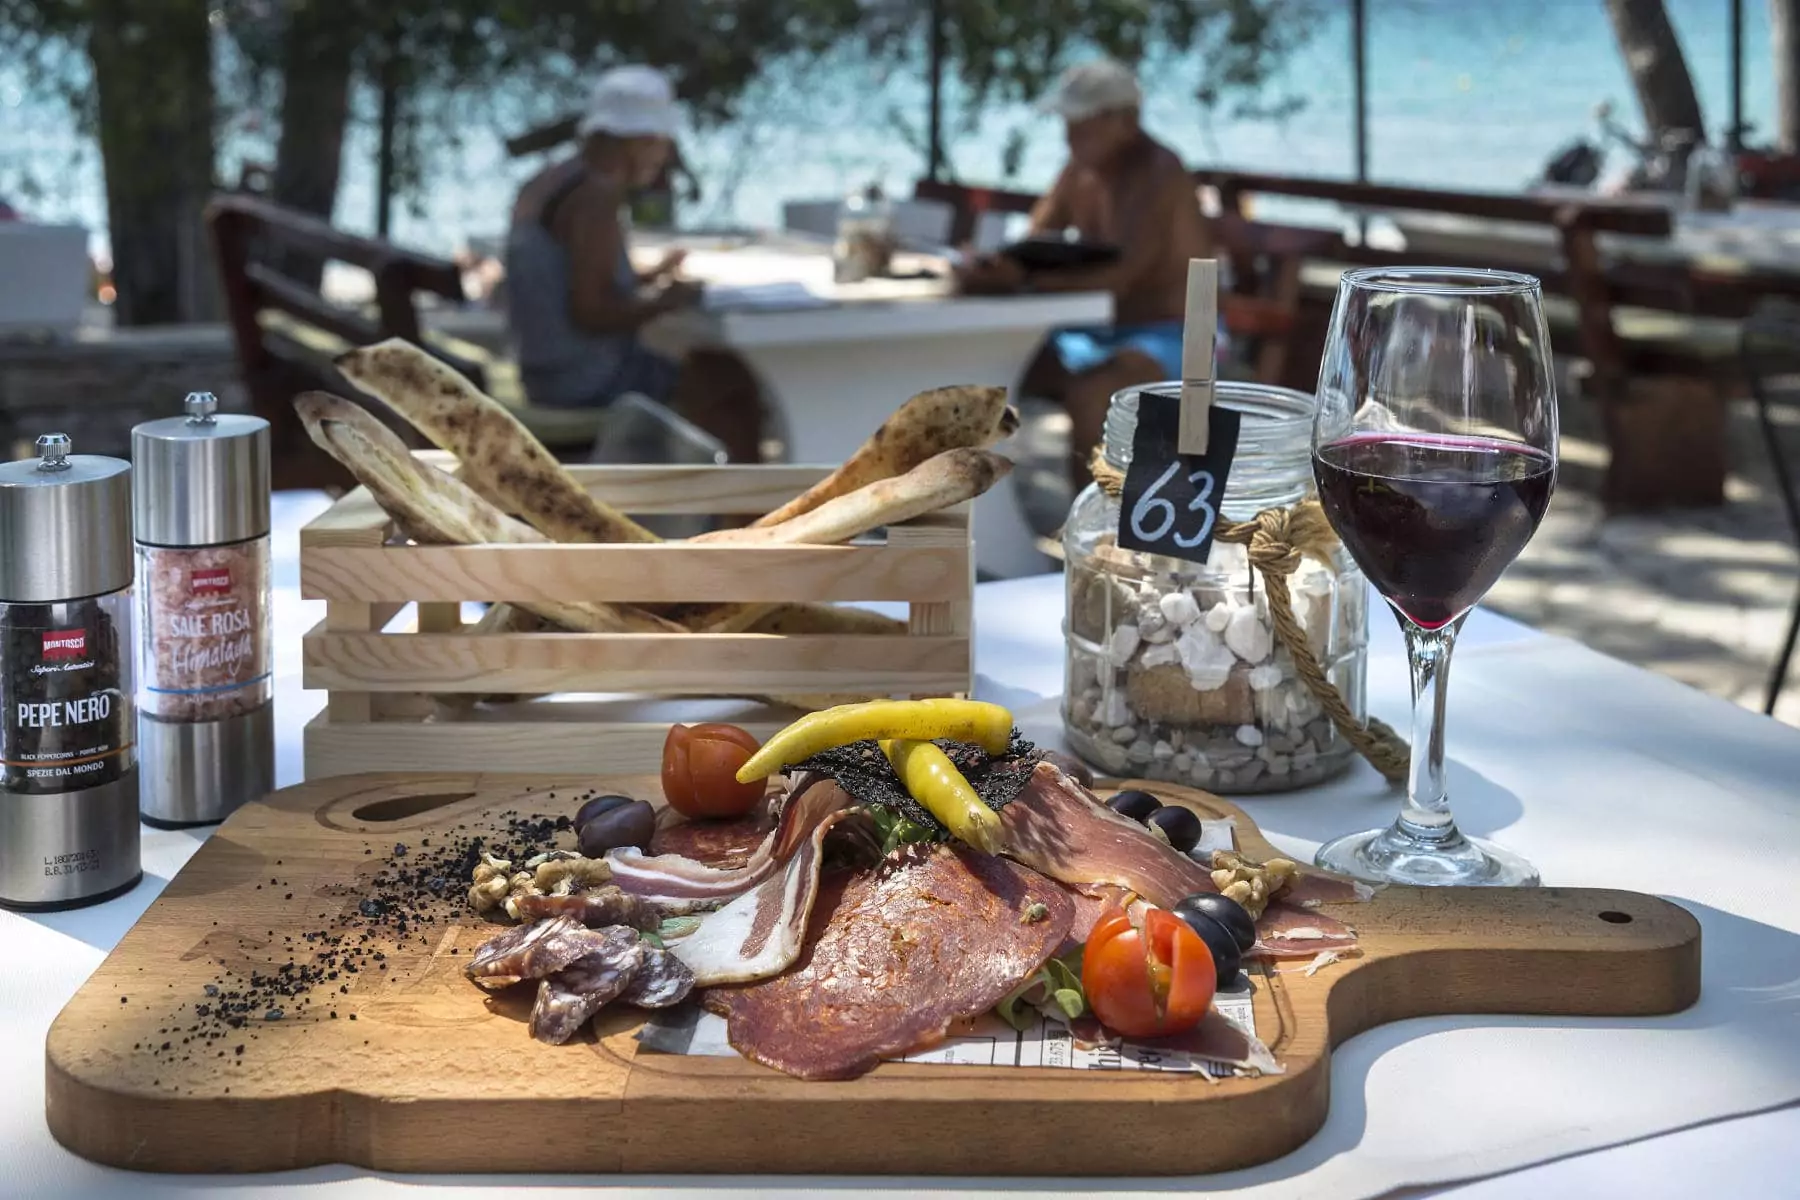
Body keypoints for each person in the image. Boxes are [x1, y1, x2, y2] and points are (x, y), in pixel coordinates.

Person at [956, 59, 1213, 487]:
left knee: (1094, 395)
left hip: (1174, 333)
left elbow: (1121, 278)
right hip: (1091, 330)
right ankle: (976, 509)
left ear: (1125, 120)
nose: (1070, 135)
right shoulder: (1081, 168)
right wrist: (993, 267)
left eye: (1082, 123)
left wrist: (1022, 282)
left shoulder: (1161, 173)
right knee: (984, 368)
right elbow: (1035, 236)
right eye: (1068, 123)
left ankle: (1091, 538)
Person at [505, 65, 762, 461]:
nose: (664, 158)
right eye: (662, 145)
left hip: (540, 370)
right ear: (640, 140)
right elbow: (589, 312)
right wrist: (666, 302)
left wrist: (648, 274)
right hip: (577, 382)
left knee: (704, 371)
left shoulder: (550, 180)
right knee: (726, 381)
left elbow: (572, 274)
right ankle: (747, 516)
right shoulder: (596, 196)